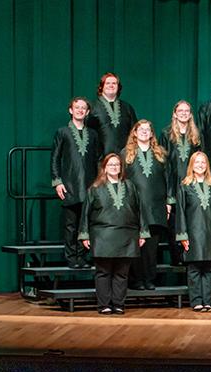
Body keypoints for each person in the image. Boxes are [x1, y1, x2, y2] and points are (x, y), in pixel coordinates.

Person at [78, 154, 148, 314]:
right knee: (103, 272)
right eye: (111, 165)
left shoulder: (130, 186)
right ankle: (104, 305)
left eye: (117, 165)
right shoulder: (95, 188)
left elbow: (140, 210)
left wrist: (143, 233)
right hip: (102, 235)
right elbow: (85, 214)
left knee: (122, 273)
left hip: (127, 235)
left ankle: (118, 304)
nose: (114, 167)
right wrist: (84, 234)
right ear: (104, 167)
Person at [176, 151, 211, 312]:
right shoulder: (184, 186)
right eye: (197, 162)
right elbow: (180, 212)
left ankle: (207, 300)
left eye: (203, 162)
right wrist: (183, 235)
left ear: (207, 165)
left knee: (209, 268)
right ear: (192, 165)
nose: (200, 165)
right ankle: (196, 301)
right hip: (192, 233)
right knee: (194, 268)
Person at [121, 120, 170, 291]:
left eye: (147, 130)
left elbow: (168, 179)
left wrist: (168, 202)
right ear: (134, 133)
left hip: (156, 207)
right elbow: (120, 180)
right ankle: (136, 280)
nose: (144, 132)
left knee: (151, 248)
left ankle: (150, 279)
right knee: (137, 245)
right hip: (134, 207)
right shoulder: (125, 154)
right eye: (140, 129)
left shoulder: (161, 154)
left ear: (151, 134)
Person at [51, 97, 99, 269]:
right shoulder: (62, 132)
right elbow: (55, 158)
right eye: (76, 107)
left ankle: (83, 256)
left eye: (83, 108)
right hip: (70, 185)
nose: (80, 110)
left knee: (85, 224)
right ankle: (72, 257)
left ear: (87, 112)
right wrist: (57, 182)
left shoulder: (93, 135)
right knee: (71, 225)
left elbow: (97, 160)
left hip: (89, 185)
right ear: (70, 110)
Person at [161, 100, 202, 266]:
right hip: (173, 182)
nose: (184, 113)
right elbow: (163, 160)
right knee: (174, 221)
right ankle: (176, 257)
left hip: (191, 183)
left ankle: (189, 253)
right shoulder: (166, 133)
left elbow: (201, 159)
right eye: (180, 111)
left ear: (190, 114)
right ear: (175, 113)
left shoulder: (196, 134)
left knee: (191, 219)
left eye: (187, 111)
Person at [87, 72, 138, 157]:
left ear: (118, 87)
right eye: (107, 83)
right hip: (100, 160)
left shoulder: (127, 108)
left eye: (114, 83)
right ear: (101, 86)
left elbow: (135, 132)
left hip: (125, 158)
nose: (111, 85)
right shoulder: (92, 107)